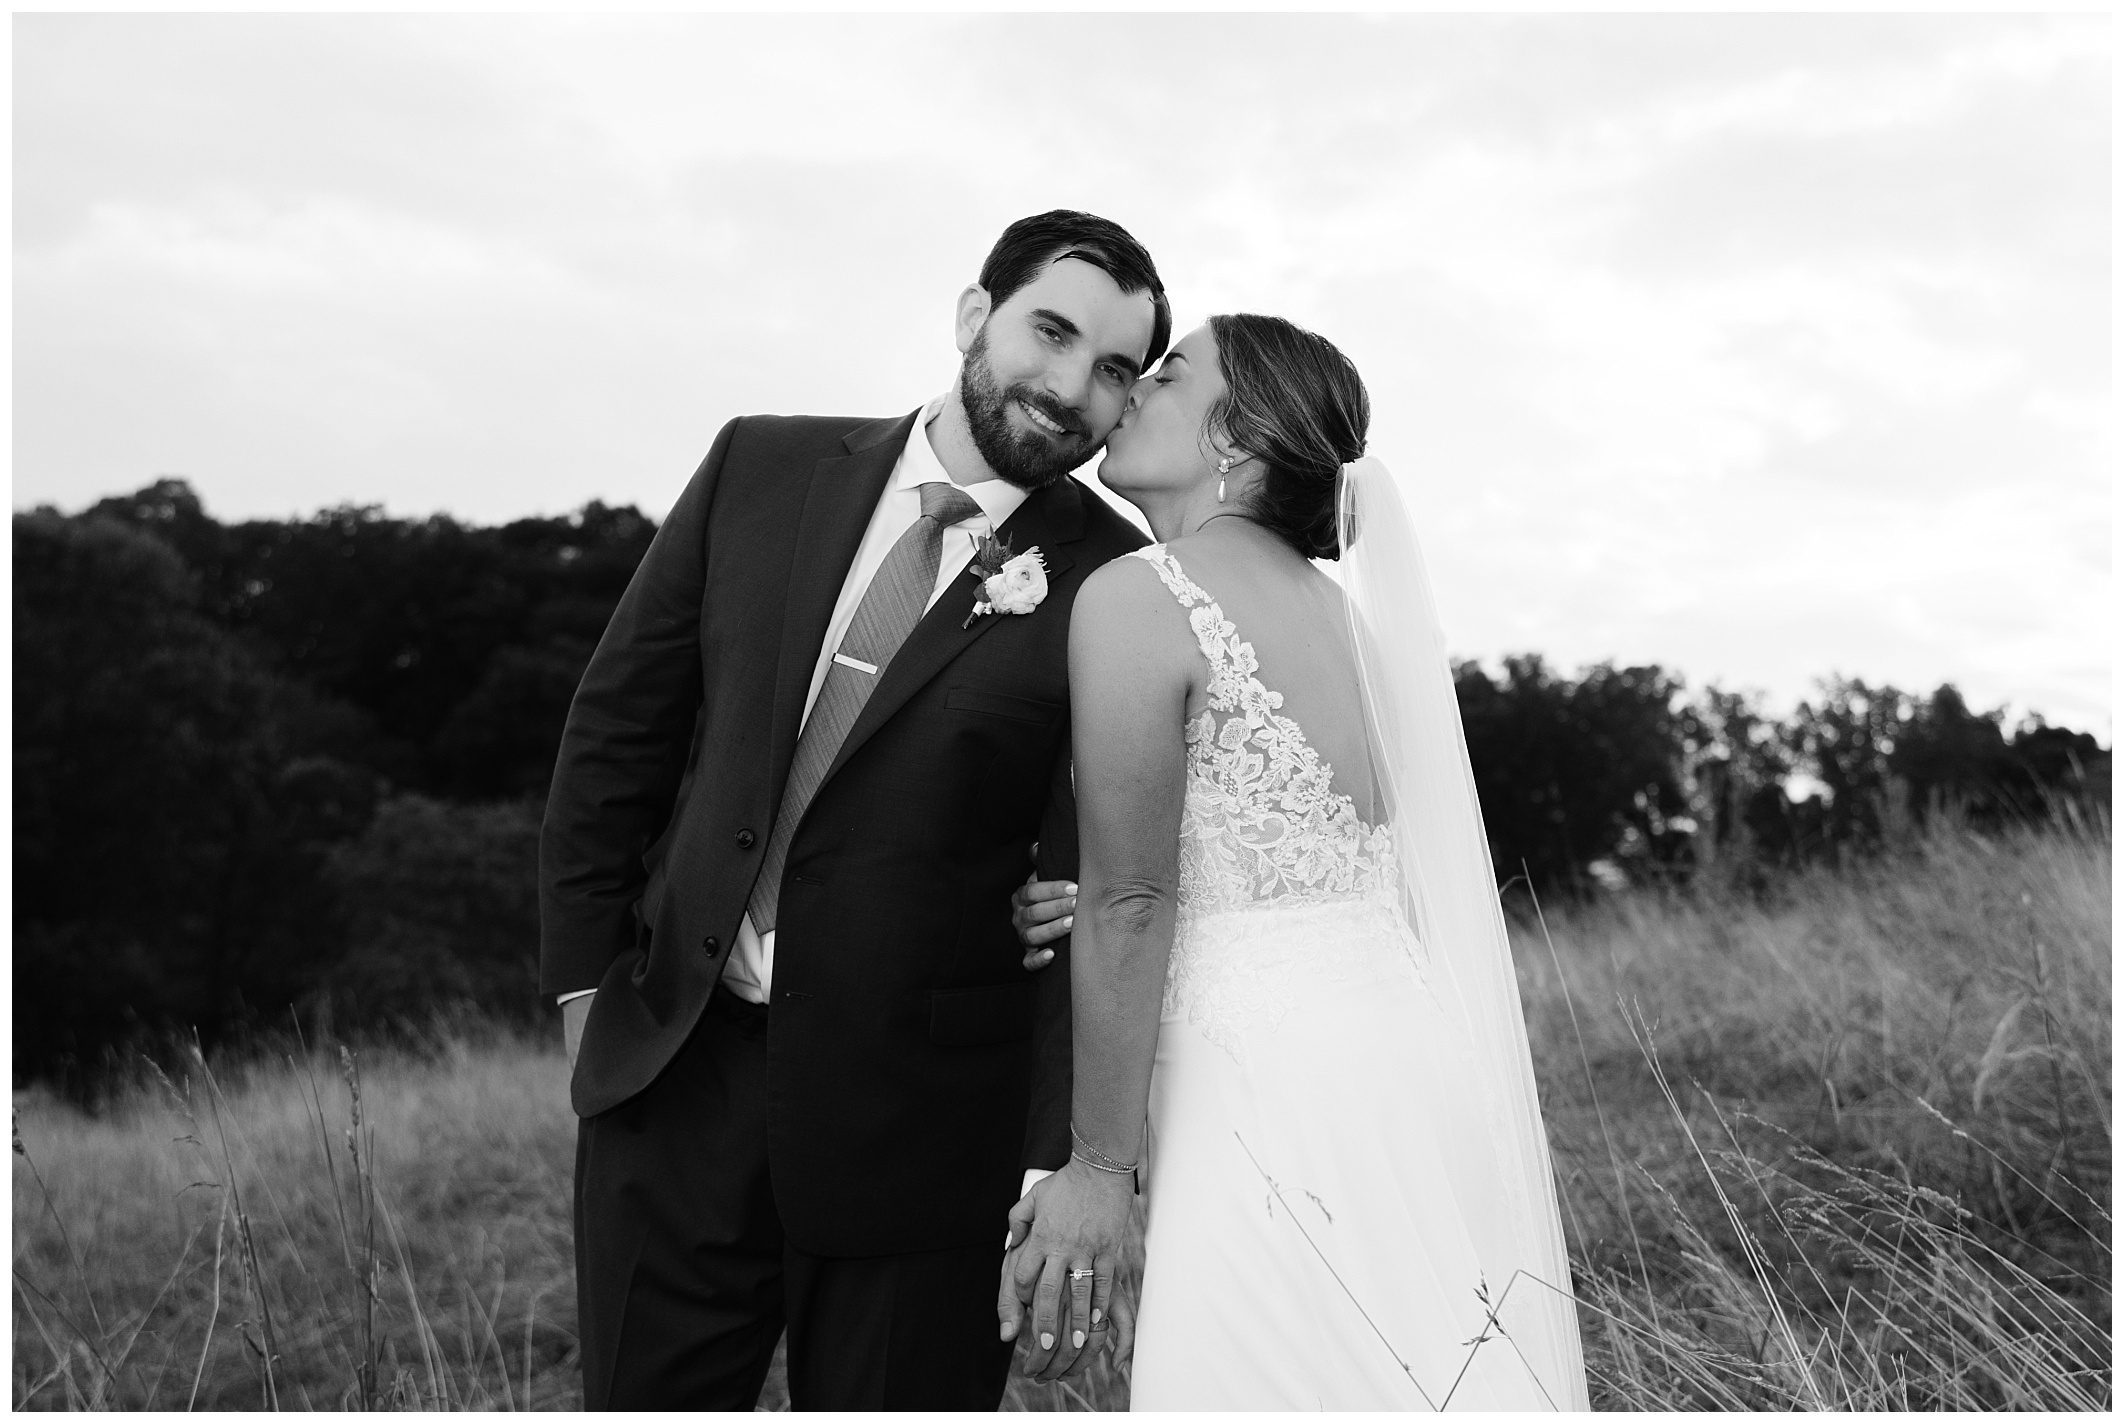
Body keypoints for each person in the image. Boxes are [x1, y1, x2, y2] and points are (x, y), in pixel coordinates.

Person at [538, 210, 1167, 1410]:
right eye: (1052, 332)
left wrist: (1065, 1155)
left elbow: (1105, 875)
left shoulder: (1115, 574)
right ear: (975, 315)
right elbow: (617, 732)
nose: (1072, 387)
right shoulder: (759, 466)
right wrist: (585, 994)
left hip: (927, 1135)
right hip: (675, 1083)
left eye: (1114, 371)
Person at [997, 315, 1590, 1408]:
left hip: (1254, 1088)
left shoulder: (1142, 593)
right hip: (1400, 1067)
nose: (1128, 393)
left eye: (1169, 373)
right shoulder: (1352, 631)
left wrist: (1098, 1169)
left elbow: (1134, 898)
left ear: (1242, 434)